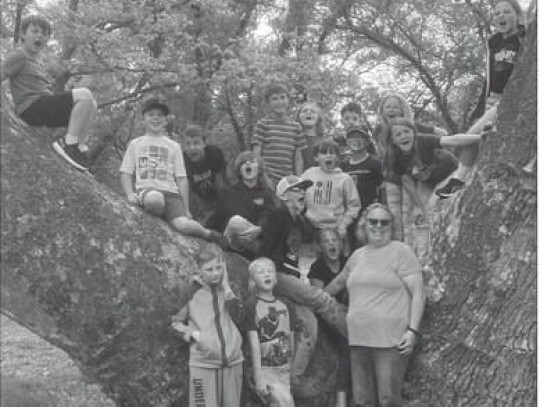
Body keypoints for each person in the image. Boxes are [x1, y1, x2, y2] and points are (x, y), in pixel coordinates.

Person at [325, 203, 425, 407]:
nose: (378, 226)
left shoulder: (401, 251)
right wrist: (311, 298)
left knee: (388, 400)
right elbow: (337, 284)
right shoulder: (357, 255)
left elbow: (418, 292)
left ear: (391, 226)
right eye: (373, 221)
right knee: (362, 400)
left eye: (384, 222)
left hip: (390, 341)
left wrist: (413, 330)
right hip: (358, 339)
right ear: (364, 225)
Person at [259, 175, 349, 383]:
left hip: (291, 279)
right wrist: (261, 278)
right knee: (321, 299)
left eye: (303, 189)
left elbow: (312, 235)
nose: (301, 192)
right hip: (277, 275)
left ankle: (289, 383)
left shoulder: (297, 220)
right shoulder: (278, 214)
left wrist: (301, 212)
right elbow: (265, 248)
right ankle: (360, 338)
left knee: (309, 329)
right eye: (296, 189)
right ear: (283, 195)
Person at [436, 0, 526, 198]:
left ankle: (459, 179)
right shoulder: (493, 42)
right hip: (493, 100)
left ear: (517, 15)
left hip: (513, 97)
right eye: (497, 13)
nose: (501, 16)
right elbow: (489, 77)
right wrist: (480, 108)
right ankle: (465, 179)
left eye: (507, 12)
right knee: (479, 134)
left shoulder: (525, 37)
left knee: (472, 134)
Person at [119, 96, 229, 249]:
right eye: (151, 115)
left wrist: (186, 208)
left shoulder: (174, 146)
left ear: (166, 120)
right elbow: (125, 172)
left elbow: (182, 179)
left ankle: (209, 234)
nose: (156, 119)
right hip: (148, 191)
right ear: (143, 119)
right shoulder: (135, 144)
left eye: (160, 116)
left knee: (184, 225)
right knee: (154, 200)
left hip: (171, 195)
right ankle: (162, 218)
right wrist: (130, 194)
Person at [1, 15, 98, 172]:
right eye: (35, 31)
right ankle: (71, 144)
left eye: (44, 34)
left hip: (43, 106)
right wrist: (7, 107)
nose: (40, 36)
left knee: (91, 105)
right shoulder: (19, 55)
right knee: (85, 94)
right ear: (23, 34)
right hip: (31, 108)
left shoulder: (37, 61)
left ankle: (78, 147)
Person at [171, 246, 244, 407]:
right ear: (199, 270)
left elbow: (239, 318)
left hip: (233, 362)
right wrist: (195, 335)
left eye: (219, 268)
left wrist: (226, 288)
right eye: (209, 269)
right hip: (203, 364)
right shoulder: (190, 290)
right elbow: (175, 323)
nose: (215, 273)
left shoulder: (228, 288)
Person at [373, 92, 447, 240]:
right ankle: (397, 246)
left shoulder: (411, 126)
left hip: (410, 178)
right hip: (391, 179)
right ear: (382, 111)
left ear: (402, 110)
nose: (392, 110)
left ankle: (410, 246)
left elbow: (441, 132)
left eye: (396, 107)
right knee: (394, 214)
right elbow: (381, 155)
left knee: (408, 212)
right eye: (388, 107)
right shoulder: (379, 130)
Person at [381, 118, 484, 220]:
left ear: (413, 133)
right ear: (392, 140)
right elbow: (409, 185)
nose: (403, 136)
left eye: (407, 131)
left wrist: (480, 137)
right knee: (427, 209)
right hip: (427, 181)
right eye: (398, 134)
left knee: (437, 201)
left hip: (448, 171)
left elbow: (453, 140)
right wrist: (419, 208)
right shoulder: (394, 159)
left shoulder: (422, 140)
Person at [245, 257, 295, 407]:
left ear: (276, 278)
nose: (267, 274)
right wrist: (258, 375)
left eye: (270, 271)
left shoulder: (286, 304)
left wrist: (290, 367)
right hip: (266, 369)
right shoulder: (252, 305)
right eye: (261, 272)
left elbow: (291, 337)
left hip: (284, 369)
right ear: (253, 280)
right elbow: (253, 344)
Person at [308, 228, 350, 407]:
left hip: (352, 314)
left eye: (335, 240)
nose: (332, 243)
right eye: (327, 241)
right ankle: (341, 403)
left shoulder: (348, 261)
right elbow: (320, 298)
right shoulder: (317, 267)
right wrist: (342, 278)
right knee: (348, 351)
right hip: (330, 320)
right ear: (320, 247)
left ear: (341, 244)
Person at [206, 151, 276, 257]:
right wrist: (202, 230)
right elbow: (216, 216)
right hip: (230, 242)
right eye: (244, 162)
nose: (248, 164)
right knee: (236, 221)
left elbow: (268, 215)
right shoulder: (227, 192)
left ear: (259, 169)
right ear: (239, 170)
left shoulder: (266, 194)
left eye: (252, 161)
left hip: (254, 241)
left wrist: (260, 229)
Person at [301, 139, 360, 253]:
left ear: (337, 157)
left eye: (332, 153)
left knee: (339, 258)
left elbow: (354, 206)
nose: (328, 156)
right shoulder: (309, 174)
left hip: (337, 228)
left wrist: (344, 224)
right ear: (316, 157)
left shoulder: (344, 179)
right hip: (312, 227)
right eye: (324, 153)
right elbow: (297, 194)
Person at [252, 82, 307, 187]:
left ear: (288, 100)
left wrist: (298, 180)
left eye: (282, 97)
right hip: (267, 179)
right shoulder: (263, 124)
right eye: (274, 99)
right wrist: (263, 177)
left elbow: (298, 158)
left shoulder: (296, 127)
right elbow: (256, 154)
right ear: (268, 103)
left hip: (288, 181)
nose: (279, 102)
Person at [340, 125, 384, 248]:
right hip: (348, 214)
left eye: (360, 137)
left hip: (367, 212)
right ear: (347, 141)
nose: (356, 141)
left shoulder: (375, 163)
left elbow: (382, 188)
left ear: (367, 141)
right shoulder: (343, 165)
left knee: (367, 244)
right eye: (352, 138)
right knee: (349, 246)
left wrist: (380, 208)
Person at [182, 124, 227, 223]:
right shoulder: (182, 160)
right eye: (188, 144)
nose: (192, 148)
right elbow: (184, 185)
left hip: (218, 184)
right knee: (210, 217)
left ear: (204, 143)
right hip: (200, 193)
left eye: (196, 143)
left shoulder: (214, 153)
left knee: (225, 204)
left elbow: (222, 180)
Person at [296, 102, 327, 171]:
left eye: (312, 111)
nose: (308, 113)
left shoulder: (326, 140)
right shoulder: (296, 138)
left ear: (318, 117)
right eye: (304, 111)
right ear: (299, 117)